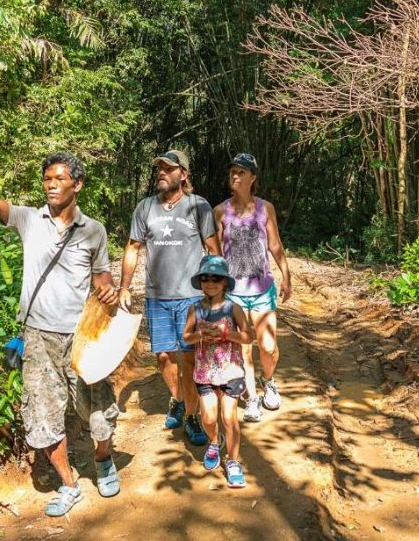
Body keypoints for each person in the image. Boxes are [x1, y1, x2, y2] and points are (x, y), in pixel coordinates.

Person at [0, 152, 121, 517]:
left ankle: (103, 457)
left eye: (59, 178)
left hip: (83, 337)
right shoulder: (30, 220)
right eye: (47, 178)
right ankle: (68, 483)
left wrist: (109, 289)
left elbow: (101, 277)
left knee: (96, 409)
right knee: (43, 413)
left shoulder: (93, 230)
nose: (50, 184)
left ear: (77, 185)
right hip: (37, 336)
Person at [118, 149, 220, 445]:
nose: (161, 173)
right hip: (157, 297)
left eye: (168, 169)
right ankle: (177, 398)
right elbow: (132, 248)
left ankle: (191, 416)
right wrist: (125, 287)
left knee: (188, 361)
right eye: (159, 169)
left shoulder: (198, 206)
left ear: (183, 175)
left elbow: (213, 248)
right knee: (163, 358)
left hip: (191, 297)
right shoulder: (145, 207)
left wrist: (219, 291)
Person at [213, 153, 292, 423]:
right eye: (233, 172)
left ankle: (268, 380)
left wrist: (286, 275)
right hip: (234, 293)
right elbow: (216, 253)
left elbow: (275, 245)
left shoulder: (264, 208)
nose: (236, 176)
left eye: (242, 172)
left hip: (262, 290)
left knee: (268, 347)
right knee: (244, 349)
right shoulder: (220, 212)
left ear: (253, 178)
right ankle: (253, 398)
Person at [182, 255, 251, 488]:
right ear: (200, 281)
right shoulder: (195, 309)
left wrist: (226, 334)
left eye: (216, 278)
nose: (210, 283)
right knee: (209, 418)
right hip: (205, 372)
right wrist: (200, 335)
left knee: (229, 417)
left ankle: (233, 461)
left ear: (224, 282)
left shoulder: (234, 309)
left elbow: (248, 336)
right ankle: (214, 440)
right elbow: (186, 336)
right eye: (205, 278)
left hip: (231, 371)